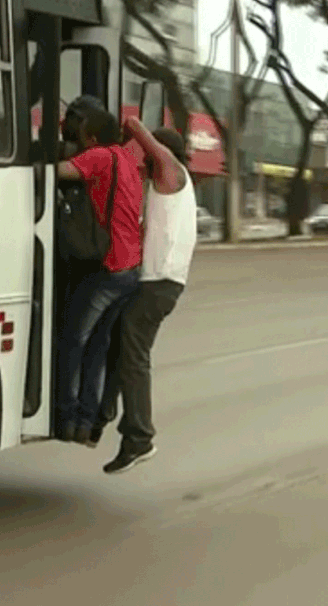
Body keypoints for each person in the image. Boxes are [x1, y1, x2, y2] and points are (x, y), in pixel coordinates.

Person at [100, 117, 197, 474]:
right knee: (121, 341)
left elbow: (148, 142)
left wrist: (131, 127)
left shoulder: (171, 173)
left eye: (147, 155)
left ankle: (139, 436)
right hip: (158, 283)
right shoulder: (168, 188)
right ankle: (107, 414)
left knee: (133, 350)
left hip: (160, 283)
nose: (141, 161)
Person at [55, 107, 144, 445]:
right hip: (129, 269)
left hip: (105, 268)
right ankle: (86, 421)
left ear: (90, 137)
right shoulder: (127, 162)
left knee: (72, 341)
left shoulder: (99, 158)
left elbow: (57, 173)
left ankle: (65, 416)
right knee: (97, 346)